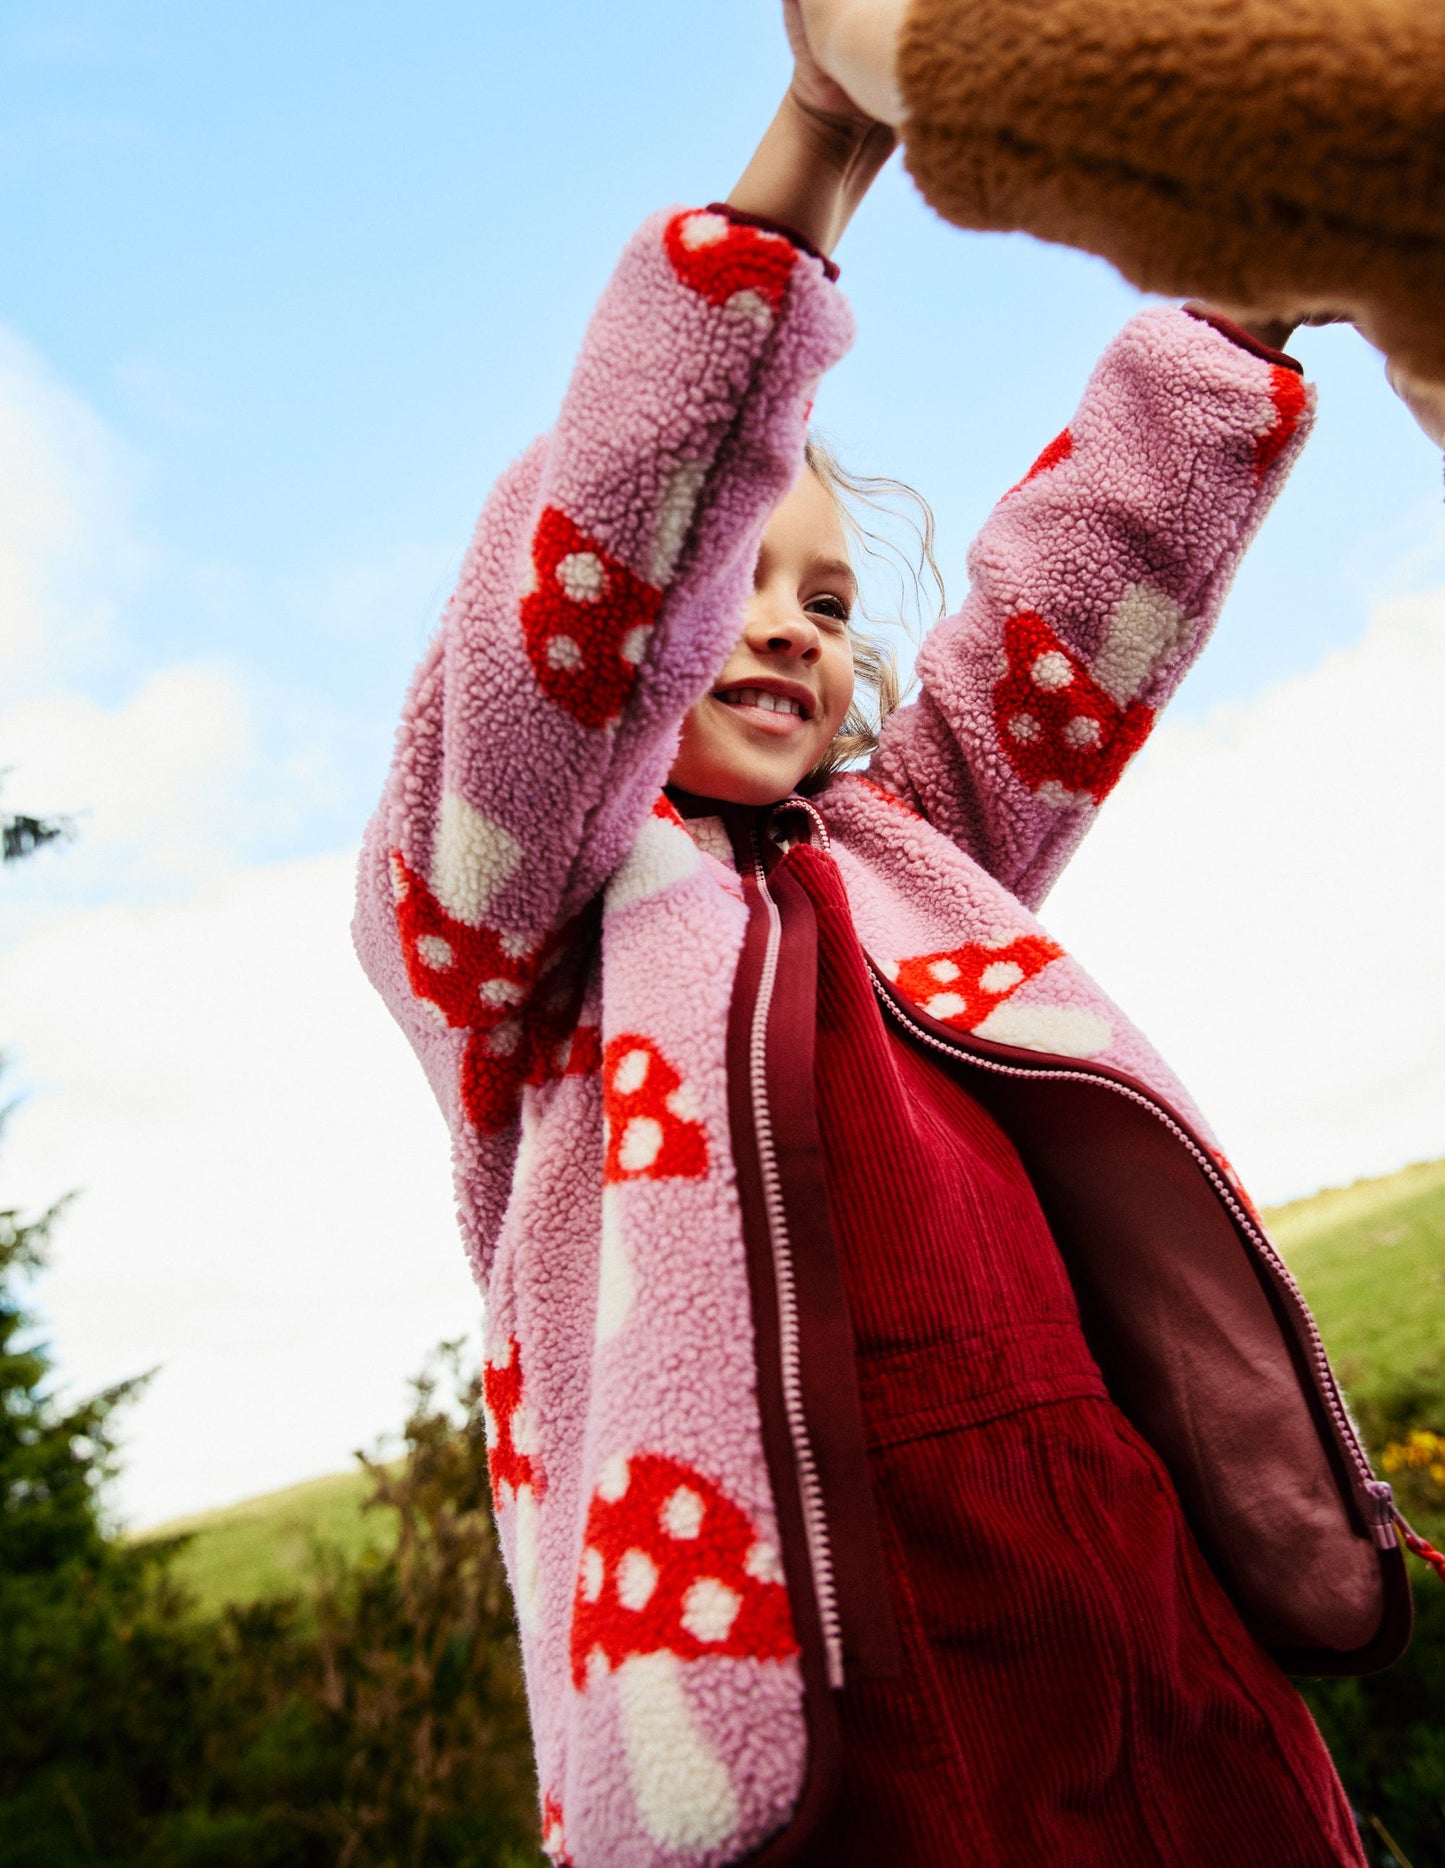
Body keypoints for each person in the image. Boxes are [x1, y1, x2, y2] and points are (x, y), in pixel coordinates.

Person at [354, 18, 1409, 1866]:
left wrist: (1241, 320)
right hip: (816, 1635)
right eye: (727, 579)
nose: (780, 627)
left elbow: (1065, 605)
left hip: (1115, 1552)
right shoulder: (510, 946)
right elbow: (591, 575)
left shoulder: (904, 851)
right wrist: (813, 154)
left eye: (825, 596)